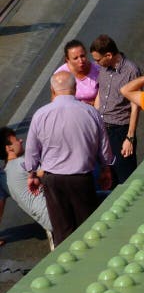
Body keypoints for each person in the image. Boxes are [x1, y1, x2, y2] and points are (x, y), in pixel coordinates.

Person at [23, 72, 114, 246]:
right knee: (88, 230)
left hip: (53, 180)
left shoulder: (40, 115)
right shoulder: (90, 113)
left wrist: (32, 174)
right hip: (82, 179)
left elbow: (32, 151)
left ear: (52, 90)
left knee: (62, 231)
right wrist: (106, 169)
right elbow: (104, 147)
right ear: (75, 88)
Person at [90, 34, 141, 186]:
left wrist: (129, 138)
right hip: (102, 128)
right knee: (106, 177)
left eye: (98, 59)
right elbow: (100, 94)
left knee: (124, 177)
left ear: (109, 55)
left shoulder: (131, 71)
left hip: (120, 131)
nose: (96, 63)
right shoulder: (104, 69)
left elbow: (135, 105)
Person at [0, 127, 53, 250]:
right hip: (59, 214)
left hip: (45, 221)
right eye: (16, 140)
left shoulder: (3, 177)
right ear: (9, 148)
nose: (21, 140)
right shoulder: (24, 162)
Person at [55, 40, 101, 106]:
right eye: (75, 58)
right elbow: (56, 101)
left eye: (82, 56)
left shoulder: (99, 70)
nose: (81, 61)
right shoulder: (60, 75)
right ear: (67, 59)